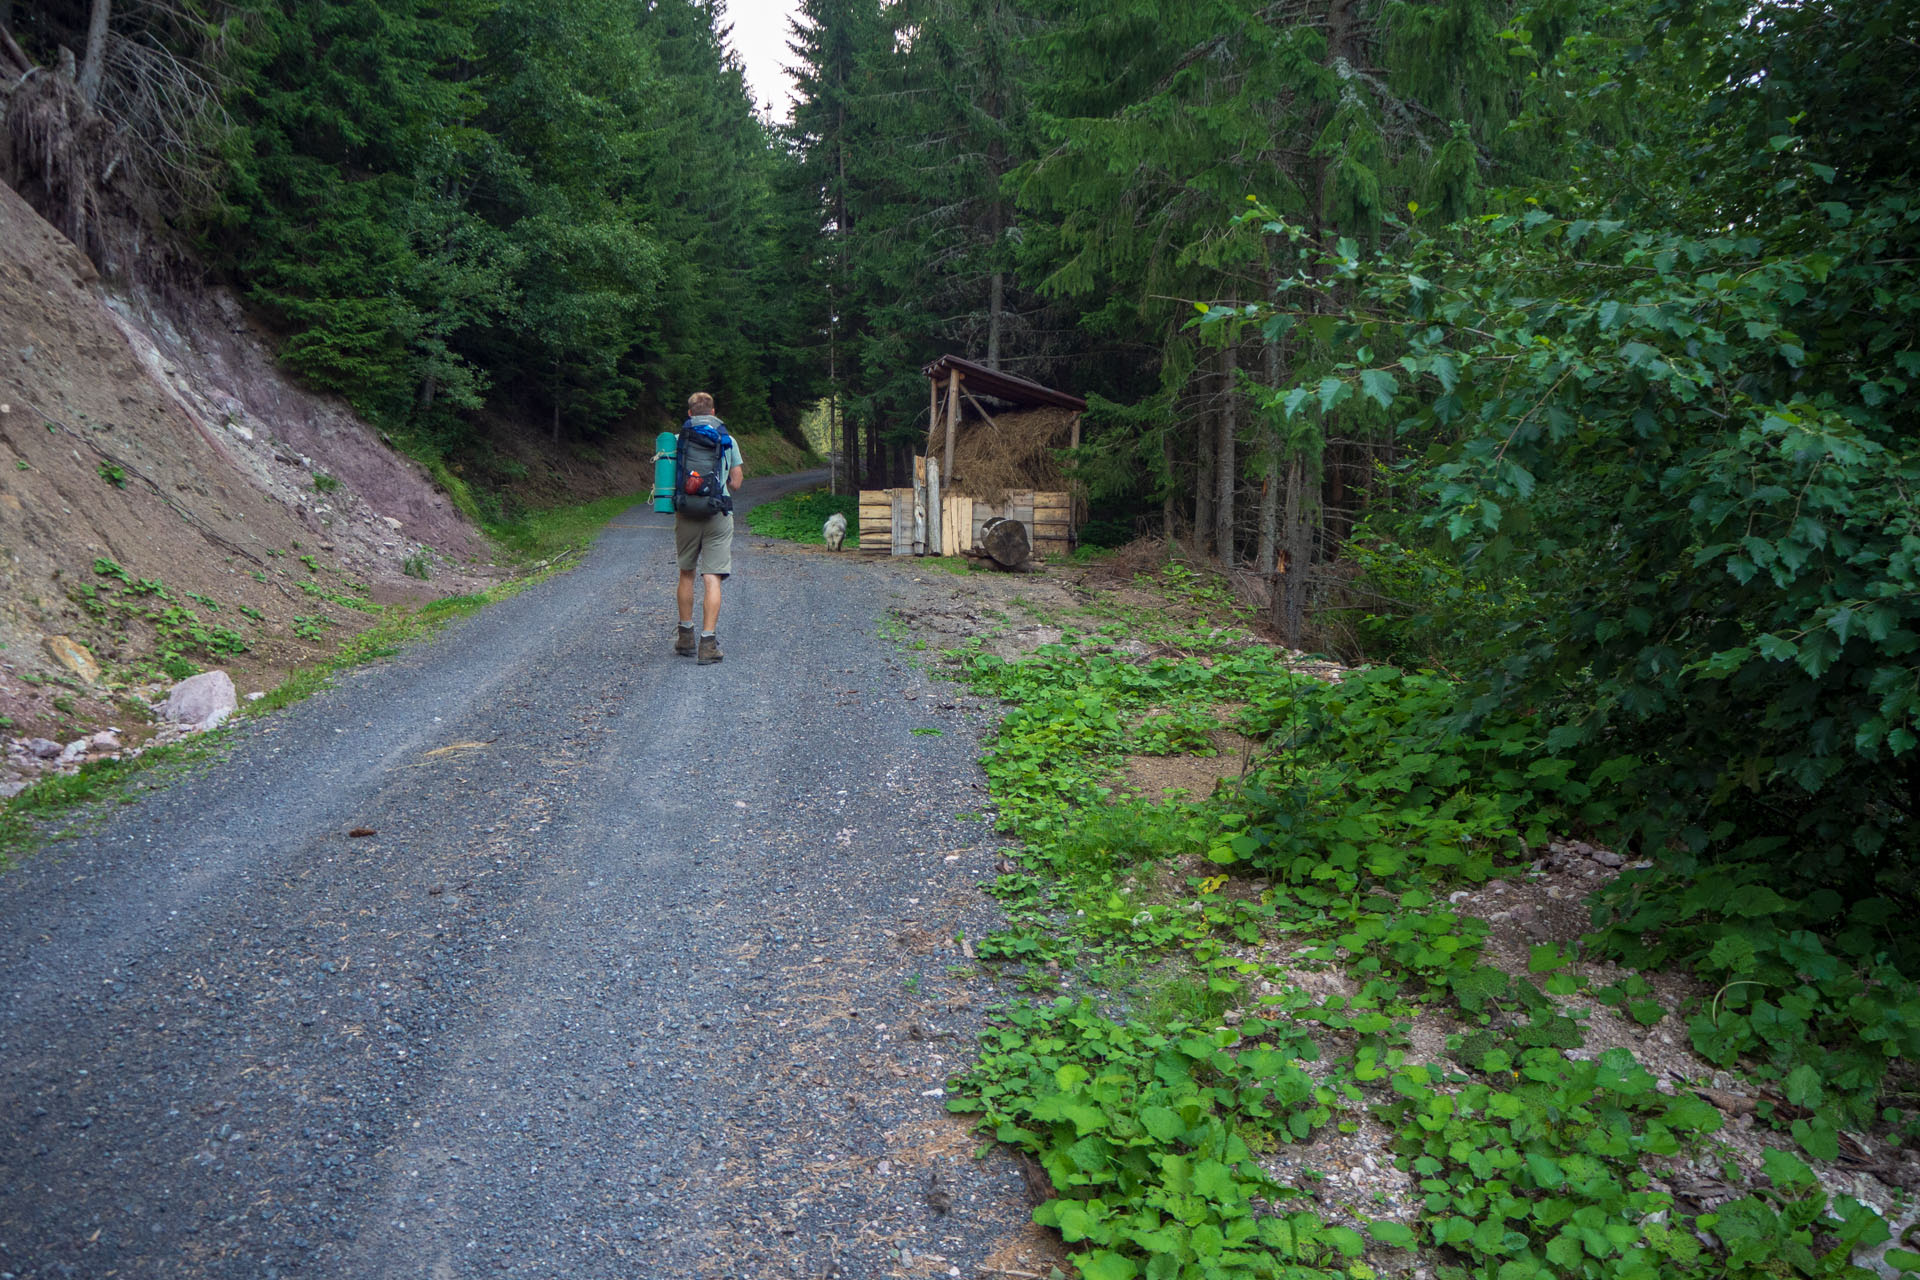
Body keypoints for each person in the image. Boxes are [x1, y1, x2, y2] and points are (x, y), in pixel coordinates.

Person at [673, 391, 745, 664]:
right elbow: (736, 483)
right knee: (712, 576)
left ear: (690, 413)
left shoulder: (680, 440)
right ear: (713, 412)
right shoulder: (727, 440)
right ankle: (708, 644)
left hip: (686, 515)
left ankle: (685, 637)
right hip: (717, 514)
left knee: (686, 573)